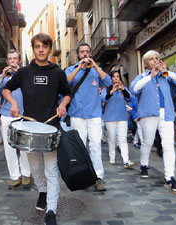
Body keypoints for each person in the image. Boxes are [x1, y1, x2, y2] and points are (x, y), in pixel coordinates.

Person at [2, 33, 71, 225]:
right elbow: (6, 88)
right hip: (30, 129)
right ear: (33, 49)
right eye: (38, 46)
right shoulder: (24, 72)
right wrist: (13, 102)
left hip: (51, 127)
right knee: (35, 168)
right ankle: (42, 190)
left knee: (51, 169)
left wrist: (63, 105)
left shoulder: (57, 72)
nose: (41, 50)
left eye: (45, 46)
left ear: (50, 49)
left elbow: (67, 92)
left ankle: (51, 210)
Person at [130, 50, 176, 193]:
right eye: (151, 59)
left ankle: (170, 177)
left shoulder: (166, 77)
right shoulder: (142, 77)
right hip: (148, 114)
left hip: (166, 114)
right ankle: (144, 165)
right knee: (147, 142)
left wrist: (166, 71)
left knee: (168, 145)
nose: (155, 61)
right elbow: (134, 89)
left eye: (157, 58)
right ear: (146, 63)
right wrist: (152, 76)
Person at [65, 43, 111, 191]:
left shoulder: (97, 70)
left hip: (94, 114)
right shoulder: (71, 70)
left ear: (90, 54)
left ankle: (98, 177)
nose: (85, 54)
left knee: (96, 145)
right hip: (77, 114)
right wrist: (79, 68)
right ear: (78, 54)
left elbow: (108, 82)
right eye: (82, 52)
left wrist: (96, 67)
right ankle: (83, 176)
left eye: (87, 52)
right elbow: (65, 83)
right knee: (80, 147)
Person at [0, 49, 31, 189]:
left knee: (24, 147)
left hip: (23, 115)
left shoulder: (25, 74)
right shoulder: (3, 77)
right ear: (7, 61)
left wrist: (19, 73)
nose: (13, 61)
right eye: (10, 59)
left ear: (19, 61)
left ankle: (26, 174)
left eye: (15, 59)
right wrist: (1, 77)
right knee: (9, 148)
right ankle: (15, 176)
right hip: (7, 115)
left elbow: (31, 90)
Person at [102, 71, 135, 168]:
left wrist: (123, 89)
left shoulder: (123, 89)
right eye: (114, 76)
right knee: (112, 138)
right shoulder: (106, 89)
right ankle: (112, 157)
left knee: (123, 139)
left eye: (118, 76)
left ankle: (126, 160)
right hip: (110, 117)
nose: (116, 78)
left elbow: (130, 98)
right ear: (111, 79)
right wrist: (112, 91)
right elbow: (103, 99)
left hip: (122, 117)